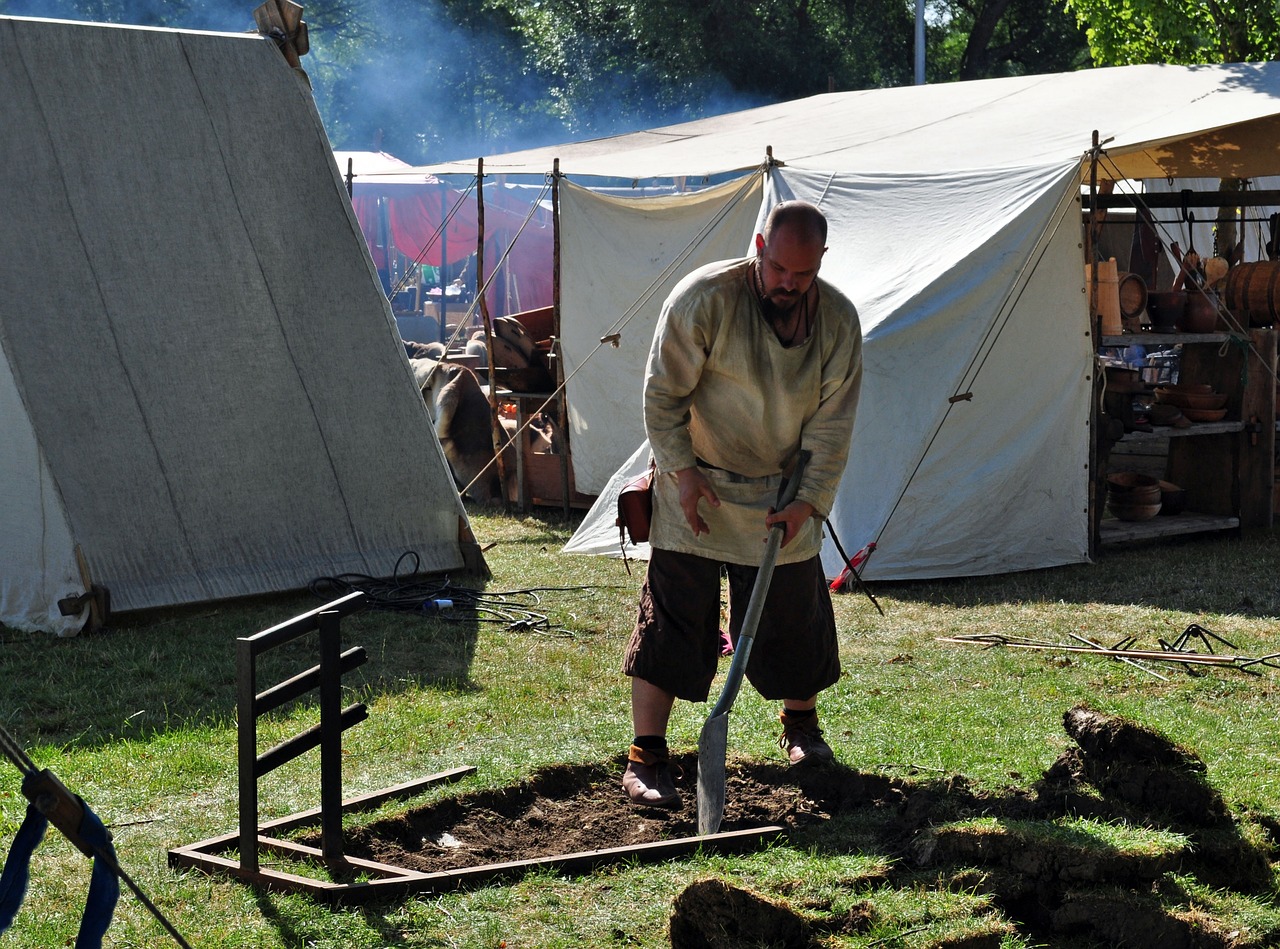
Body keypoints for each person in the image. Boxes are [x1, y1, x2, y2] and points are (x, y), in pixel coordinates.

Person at [621, 199, 863, 807]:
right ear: (760, 249)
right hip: (694, 483)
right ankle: (647, 755)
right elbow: (663, 398)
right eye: (779, 269)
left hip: (782, 496)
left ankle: (801, 729)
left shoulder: (837, 321)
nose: (788, 283)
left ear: (821, 263)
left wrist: (809, 501)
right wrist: (680, 473)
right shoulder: (702, 299)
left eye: (802, 275)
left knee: (794, 619)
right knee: (675, 616)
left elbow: (833, 427)